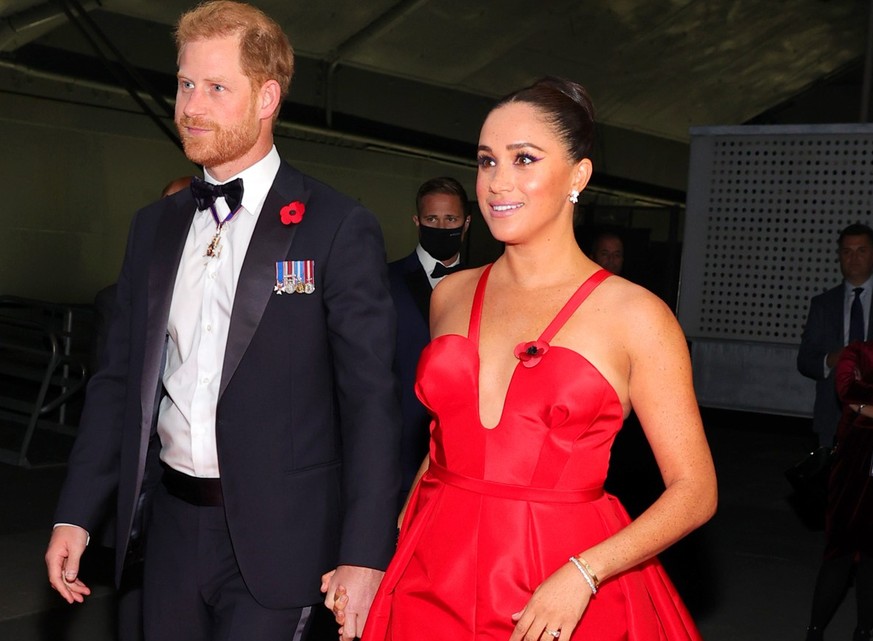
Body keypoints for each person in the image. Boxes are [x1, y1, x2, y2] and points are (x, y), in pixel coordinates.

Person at [44, 3, 400, 641]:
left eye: (215, 88)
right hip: (170, 529)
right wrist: (76, 513)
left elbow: (371, 402)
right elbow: (118, 380)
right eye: (184, 84)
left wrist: (365, 552)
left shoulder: (336, 225)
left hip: (284, 540)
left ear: (267, 97)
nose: (190, 106)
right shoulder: (154, 227)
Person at [330, 77, 717, 640]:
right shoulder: (451, 295)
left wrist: (585, 574)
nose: (497, 182)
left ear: (578, 177)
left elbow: (695, 491)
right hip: (432, 574)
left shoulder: (636, 315)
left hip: (557, 590)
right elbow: (440, 448)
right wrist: (380, 553)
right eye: (487, 162)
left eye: (524, 159)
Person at [387, 177, 471, 501]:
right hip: (397, 452)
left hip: (461, 457)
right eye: (432, 219)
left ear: (465, 224)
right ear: (417, 222)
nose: (441, 226)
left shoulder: (487, 287)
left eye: (450, 219)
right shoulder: (383, 281)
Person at [804, 341, 873, 641]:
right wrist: (859, 402)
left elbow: (855, 396)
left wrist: (864, 404)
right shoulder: (859, 351)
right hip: (853, 473)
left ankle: (865, 630)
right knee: (839, 553)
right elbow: (845, 389)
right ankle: (815, 631)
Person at [798, 223, 873, 447]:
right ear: (839, 256)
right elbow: (805, 361)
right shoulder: (822, 304)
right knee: (833, 480)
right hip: (833, 415)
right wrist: (833, 358)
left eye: (862, 250)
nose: (854, 258)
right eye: (847, 251)